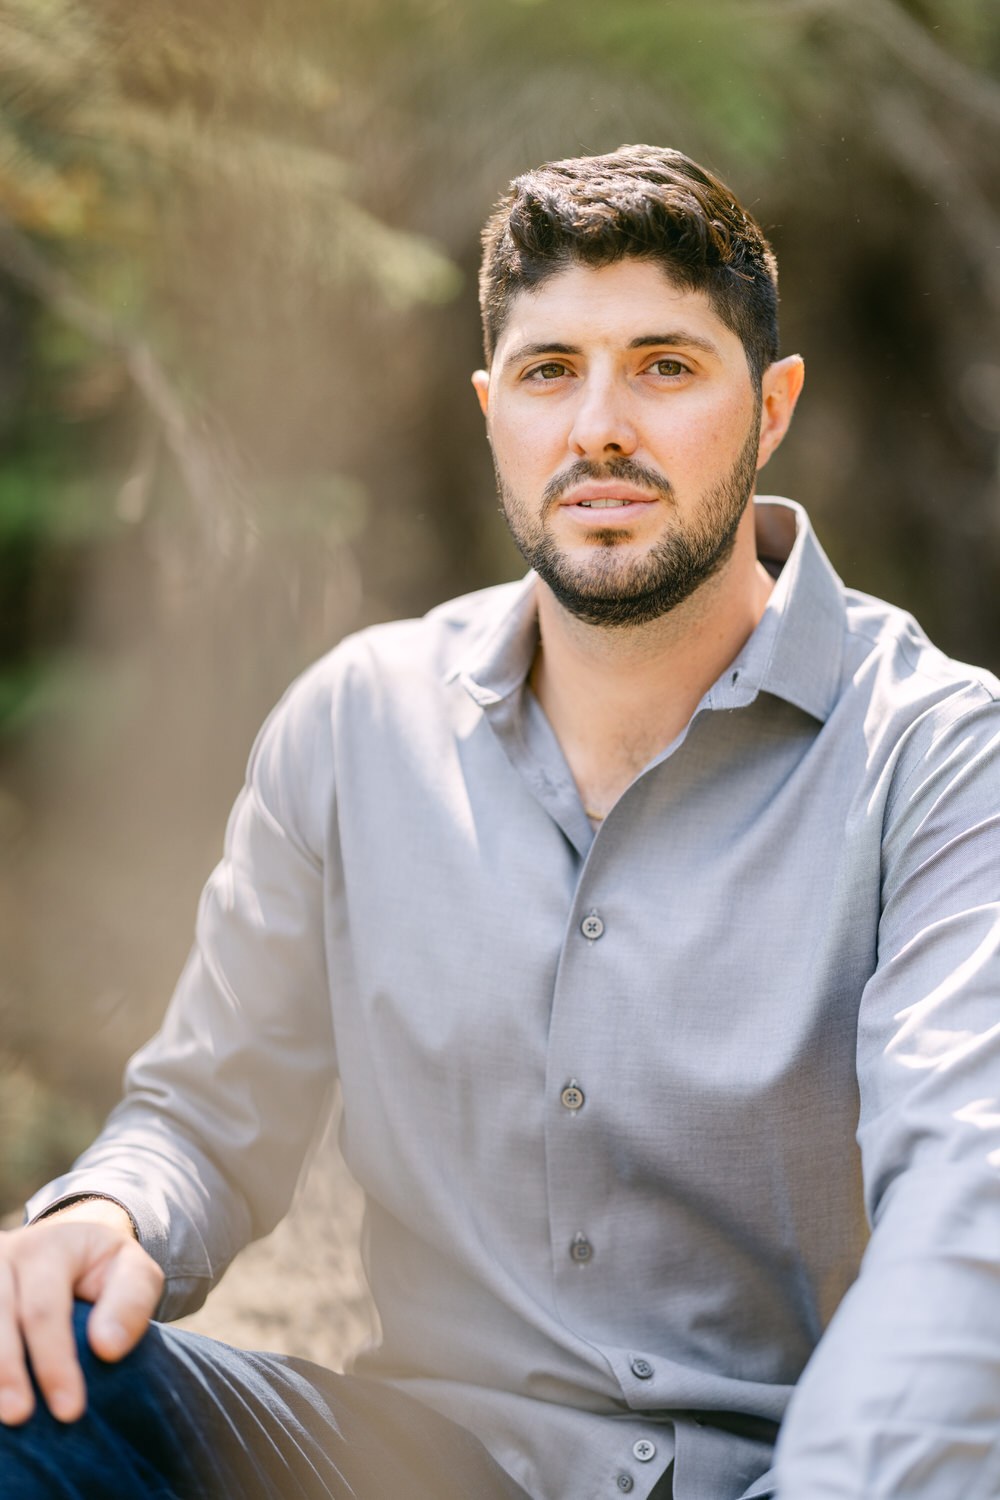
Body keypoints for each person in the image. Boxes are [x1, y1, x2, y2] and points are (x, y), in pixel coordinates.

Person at [2, 143, 999, 1500]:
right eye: (549, 372)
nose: (598, 427)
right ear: (492, 412)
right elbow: (202, 1116)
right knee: (28, 1367)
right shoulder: (356, 724)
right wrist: (111, 1211)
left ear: (771, 410)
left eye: (663, 365)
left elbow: (967, 1202)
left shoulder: (938, 757)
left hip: (780, 1476)